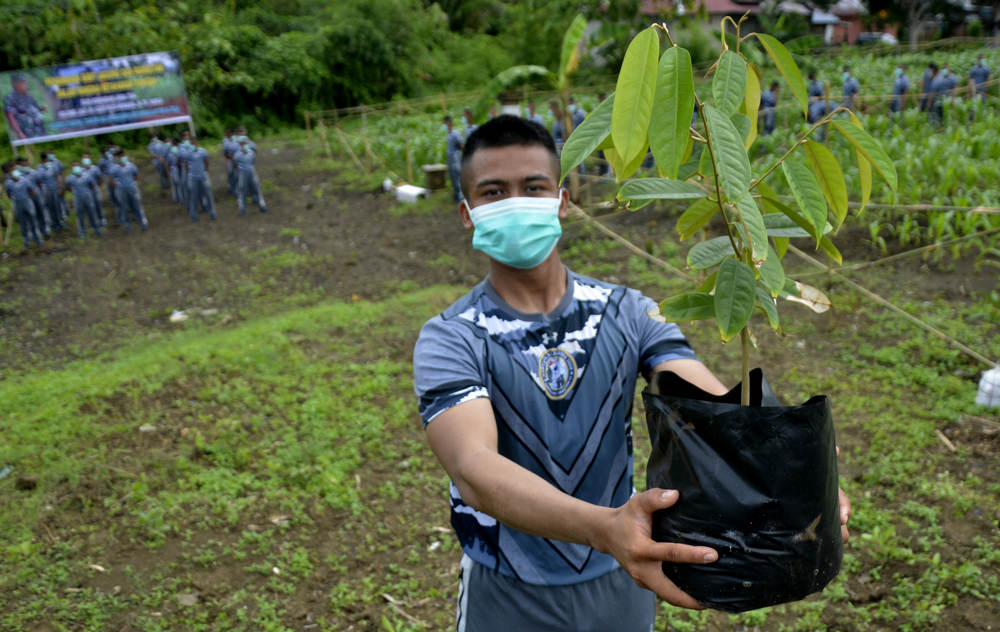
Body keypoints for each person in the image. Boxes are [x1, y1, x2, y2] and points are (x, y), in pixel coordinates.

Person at [412, 114, 856, 630]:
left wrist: (781, 452)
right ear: (467, 213)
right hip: (508, 588)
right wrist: (605, 528)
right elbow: (474, 471)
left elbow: (702, 398)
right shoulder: (452, 336)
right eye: (494, 192)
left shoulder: (627, 312)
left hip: (621, 580)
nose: (515, 202)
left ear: (562, 199)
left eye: (532, 187)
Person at [3, 161, 43, 247]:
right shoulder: (8, 183)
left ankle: (38, 239)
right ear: (9, 174)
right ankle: (26, 242)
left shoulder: (25, 180)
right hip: (17, 204)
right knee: (22, 224)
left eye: (15, 170)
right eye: (11, 171)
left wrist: (26, 198)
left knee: (33, 221)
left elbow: (31, 191)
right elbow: (9, 194)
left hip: (27, 202)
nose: (14, 172)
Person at [109, 151, 148, 231]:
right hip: (121, 191)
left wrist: (131, 182)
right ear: (117, 158)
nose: (121, 157)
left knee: (137, 205)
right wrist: (118, 185)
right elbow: (110, 179)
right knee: (124, 207)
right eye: (119, 156)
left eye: (122, 155)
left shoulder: (131, 165)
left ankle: (142, 223)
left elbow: (137, 175)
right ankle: (127, 225)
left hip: (132, 188)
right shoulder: (114, 168)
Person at [3, 72, 46, 140]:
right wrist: (19, 133)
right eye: (22, 83)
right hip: (27, 134)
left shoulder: (29, 97)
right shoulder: (10, 99)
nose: (25, 85)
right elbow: (11, 118)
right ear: (15, 84)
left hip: (40, 132)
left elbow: (34, 109)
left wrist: (41, 109)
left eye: (25, 82)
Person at [64, 162, 101, 239]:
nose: (76, 168)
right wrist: (73, 191)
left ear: (80, 167)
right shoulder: (70, 178)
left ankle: (96, 229)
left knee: (91, 213)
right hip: (77, 199)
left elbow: (92, 185)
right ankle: (82, 232)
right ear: (72, 169)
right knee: (79, 215)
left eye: (77, 166)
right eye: (74, 167)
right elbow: (67, 187)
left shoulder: (87, 175)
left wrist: (87, 192)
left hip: (87, 197)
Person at [232, 135, 268, 215]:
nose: (245, 144)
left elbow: (253, 161)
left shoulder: (251, 152)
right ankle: (242, 209)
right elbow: (235, 164)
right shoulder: (237, 154)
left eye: (245, 142)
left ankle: (262, 205)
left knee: (257, 188)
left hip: (251, 172)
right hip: (242, 173)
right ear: (240, 144)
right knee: (242, 191)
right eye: (243, 143)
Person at [185, 136, 216, 222]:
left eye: (194, 143)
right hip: (193, 178)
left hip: (203, 176)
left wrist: (205, 171)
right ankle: (194, 216)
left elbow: (207, 162)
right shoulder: (188, 153)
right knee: (194, 197)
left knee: (208, 195)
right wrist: (190, 173)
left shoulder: (203, 151)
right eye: (191, 143)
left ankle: (212, 213)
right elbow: (186, 164)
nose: (193, 145)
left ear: (196, 142)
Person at [444, 115, 464, 202]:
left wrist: (457, 154)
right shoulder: (448, 134)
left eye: (444, 123)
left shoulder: (455, 133)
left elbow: (461, 145)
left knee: (457, 177)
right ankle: (456, 196)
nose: (444, 125)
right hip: (450, 159)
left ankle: (461, 198)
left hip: (455, 158)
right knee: (452, 177)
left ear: (449, 122)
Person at [81, 152, 105, 226]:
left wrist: (97, 186)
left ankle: (102, 219)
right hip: (86, 192)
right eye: (84, 158)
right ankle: (93, 221)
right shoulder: (81, 170)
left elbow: (100, 179)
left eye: (87, 158)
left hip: (95, 190)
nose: (86, 159)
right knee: (90, 207)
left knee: (98, 204)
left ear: (90, 159)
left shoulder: (95, 168)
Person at [968, 55, 990, 120]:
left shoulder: (986, 69)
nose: (983, 61)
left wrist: (987, 89)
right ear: (978, 60)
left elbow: (988, 79)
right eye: (982, 60)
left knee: (982, 106)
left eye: (983, 60)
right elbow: (970, 80)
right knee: (973, 106)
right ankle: (972, 120)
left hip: (983, 91)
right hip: (974, 91)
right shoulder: (973, 69)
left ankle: (982, 119)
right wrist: (969, 91)